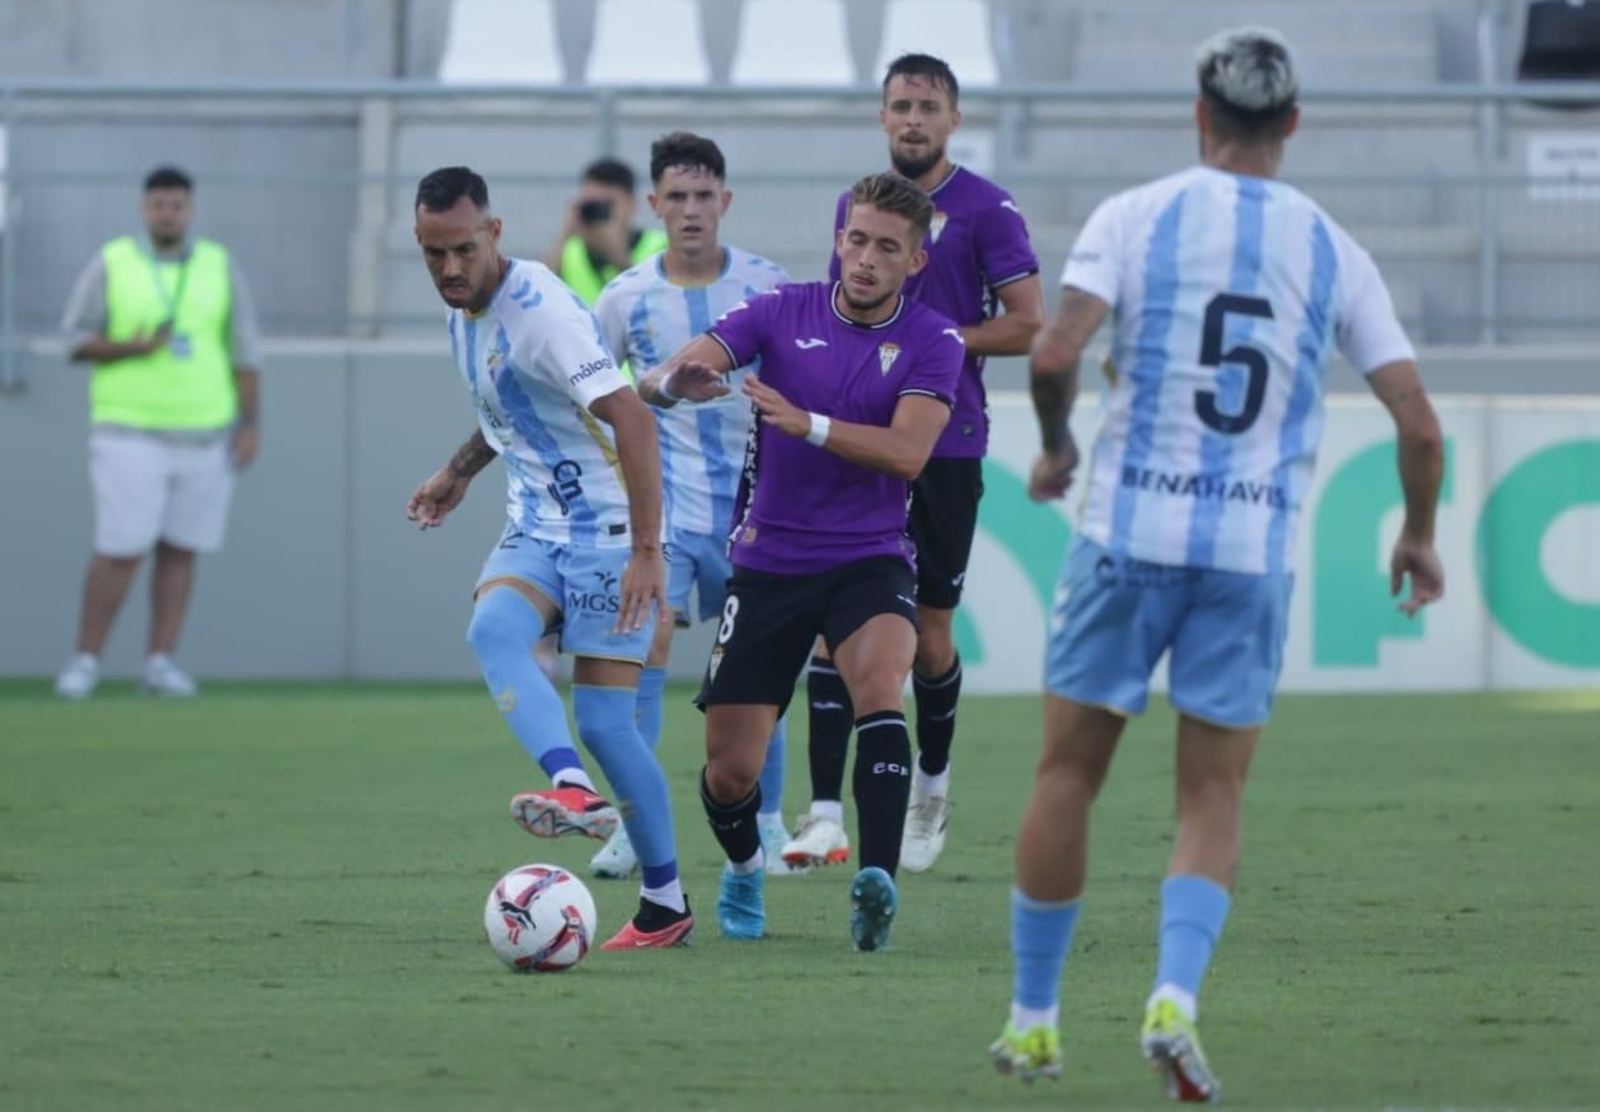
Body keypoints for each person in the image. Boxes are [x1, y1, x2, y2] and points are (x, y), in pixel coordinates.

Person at [988, 27, 1446, 1100]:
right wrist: (1417, 530)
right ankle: (1174, 998)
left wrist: (1056, 446)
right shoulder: (1333, 247)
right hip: (1247, 553)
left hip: (1126, 536)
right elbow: (1419, 426)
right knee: (1211, 794)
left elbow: (1052, 353)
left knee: (1068, 773)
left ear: (1199, 117)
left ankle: (1035, 1018)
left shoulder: (1135, 215)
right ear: (1290, 124)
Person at [637, 172, 964, 951]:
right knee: (728, 774)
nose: (865, 258)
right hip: (770, 564)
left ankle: (875, 883)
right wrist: (670, 383)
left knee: (883, 684)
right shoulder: (781, 312)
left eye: (888, 247)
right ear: (838, 238)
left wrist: (810, 424)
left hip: (870, 561)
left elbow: (910, 453)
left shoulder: (934, 339)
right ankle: (745, 867)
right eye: (857, 239)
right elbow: (678, 369)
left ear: (915, 262)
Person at [405, 165, 693, 950]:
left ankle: (665, 902)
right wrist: (456, 474)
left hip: (605, 530)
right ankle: (571, 789)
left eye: (463, 249)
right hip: (538, 523)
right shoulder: (464, 309)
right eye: (434, 254)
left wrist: (645, 554)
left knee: (607, 723)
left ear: (494, 233)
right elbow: (508, 409)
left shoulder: (543, 317)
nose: (451, 269)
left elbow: (631, 420)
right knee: (492, 630)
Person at [784, 53, 1044, 875]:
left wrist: (932, 342)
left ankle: (933, 782)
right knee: (835, 619)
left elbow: (1030, 323)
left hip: (944, 443)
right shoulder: (856, 208)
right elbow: (842, 314)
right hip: (862, 438)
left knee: (930, 632)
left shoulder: (985, 211)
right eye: (899, 104)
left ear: (953, 119)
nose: (912, 119)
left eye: (927, 106)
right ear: (882, 114)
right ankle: (825, 813)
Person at [592, 131, 799, 880]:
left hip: (755, 516)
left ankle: (769, 824)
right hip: (667, 519)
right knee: (642, 647)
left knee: (760, 668)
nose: (689, 210)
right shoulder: (623, 297)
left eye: (702, 196)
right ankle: (634, 823)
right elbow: (586, 388)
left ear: (725, 201)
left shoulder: (767, 285)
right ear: (652, 204)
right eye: (674, 197)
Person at [54, 166, 262, 700]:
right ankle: (85, 661)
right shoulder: (113, 261)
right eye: (158, 205)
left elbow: (245, 352)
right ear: (144, 209)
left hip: (206, 434)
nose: (167, 213)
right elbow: (74, 339)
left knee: (181, 549)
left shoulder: (218, 264)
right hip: (129, 432)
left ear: (189, 210)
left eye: (176, 205)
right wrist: (132, 347)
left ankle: (160, 661)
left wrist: (249, 424)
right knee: (121, 547)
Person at [542, 156, 668, 307]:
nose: (599, 213)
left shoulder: (661, 246)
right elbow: (538, 293)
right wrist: (565, 233)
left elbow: (665, 303)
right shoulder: (569, 251)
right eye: (592, 205)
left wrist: (618, 257)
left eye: (607, 205)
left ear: (632, 205)